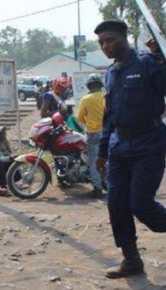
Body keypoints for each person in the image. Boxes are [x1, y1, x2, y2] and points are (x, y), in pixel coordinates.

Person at [94, 20, 166, 279]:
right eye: (101, 43)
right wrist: (102, 150)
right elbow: (108, 115)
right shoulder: (111, 72)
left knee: (141, 204)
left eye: (110, 40)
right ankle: (132, 260)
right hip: (118, 147)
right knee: (116, 205)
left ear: (124, 37)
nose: (105, 46)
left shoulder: (148, 64)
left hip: (149, 144)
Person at [76, 73, 105, 197]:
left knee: (94, 161)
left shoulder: (86, 99)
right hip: (108, 133)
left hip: (93, 133)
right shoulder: (106, 97)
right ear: (100, 85)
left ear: (89, 86)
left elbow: (80, 118)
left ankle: (97, 188)